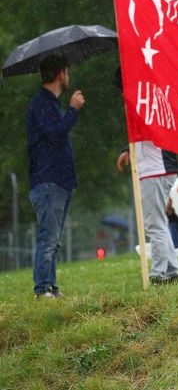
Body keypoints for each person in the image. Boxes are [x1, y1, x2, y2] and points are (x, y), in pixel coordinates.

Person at [113, 68, 178, 285]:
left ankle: (159, 274)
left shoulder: (141, 99)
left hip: (154, 168)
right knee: (159, 222)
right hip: (160, 166)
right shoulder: (150, 95)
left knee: (154, 225)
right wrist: (128, 149)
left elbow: (148, 129)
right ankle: (172, 271)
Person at [27, 55, 85, 298]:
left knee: (54, 240)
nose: (68, 76)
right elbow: (54, 134)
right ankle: (42, 289)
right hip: (48, 181)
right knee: (48, 239)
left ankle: (51, 286)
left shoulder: (50, 104)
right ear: (61, 73)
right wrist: (73, 110)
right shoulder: (41, 104)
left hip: (58, 180)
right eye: (67, 71)